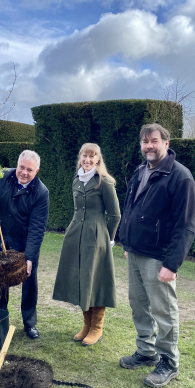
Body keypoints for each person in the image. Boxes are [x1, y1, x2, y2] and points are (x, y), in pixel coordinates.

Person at [119, 123, 195, 388]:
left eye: (153, 140)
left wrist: (171, 264)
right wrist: (127, 243)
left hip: (159, 258)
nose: (148, 146)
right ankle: (146, 351)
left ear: (166, 142)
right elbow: (130, 208)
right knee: (138, 305)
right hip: (136, 253)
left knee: (163, 311)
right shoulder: (141, 171)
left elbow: (185, 225)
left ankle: (168, 362)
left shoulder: (180, 177)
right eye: (144, 141)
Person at [0, 150, 49, 339]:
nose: (24, 172)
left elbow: (37, 228)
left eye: (29, 170)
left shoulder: (41, 193)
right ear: (17, 164)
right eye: (21, 167)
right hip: (2, 241)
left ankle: (29, 323)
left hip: (25, 244)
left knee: (29, 282)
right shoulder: (1, 176)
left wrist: (30, 257)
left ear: (37, 171)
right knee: (0, 282)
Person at [53, 143, 121, 346]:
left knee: (96, 280)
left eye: (92, 156)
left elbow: (115, 215)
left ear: (98, 159)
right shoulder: (77, 180)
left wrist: (107, 239)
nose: (88, 159)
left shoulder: (104, 182)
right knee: (81, 278)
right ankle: (86, 324)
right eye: (85, 155)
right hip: (75, 237)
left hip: (96, 237)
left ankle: (96, 327)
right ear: (80, 157)